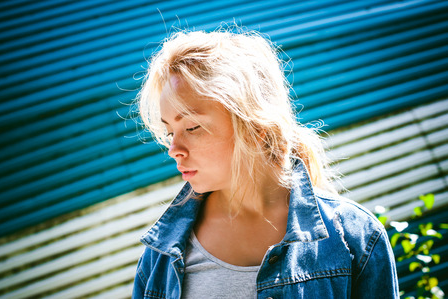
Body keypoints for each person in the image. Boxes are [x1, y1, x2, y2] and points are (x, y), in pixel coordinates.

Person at [132, 29, 399, 298]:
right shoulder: (158, 260)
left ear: (256, 127)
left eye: (192, 127)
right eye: (169, 133)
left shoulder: (357, 237)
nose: (174, 150)